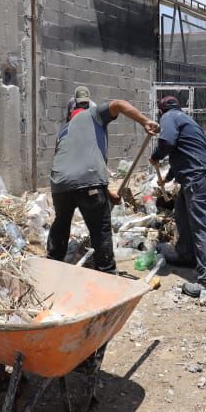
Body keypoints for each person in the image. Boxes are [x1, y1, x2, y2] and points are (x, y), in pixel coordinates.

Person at [47, 87, 160, 275]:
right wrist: (145, 121)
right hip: (89, 184)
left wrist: (107, 194)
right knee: (100, 230)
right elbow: (119, 104)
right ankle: (107, 273)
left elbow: (76, 169)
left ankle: (51, 267)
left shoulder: (62, 132)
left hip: (59, 186)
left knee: (61, 225)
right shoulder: (93, 115)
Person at [148, 96, 206, 298]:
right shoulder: (186, 120)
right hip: (200, 176)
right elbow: (183, 154)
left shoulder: (169, 117)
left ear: (161, 111)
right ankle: (187, 255)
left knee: (201, 226)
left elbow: (167, 142)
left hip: (197, 178)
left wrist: (156, 155)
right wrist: (167, 178)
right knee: (182, 214)